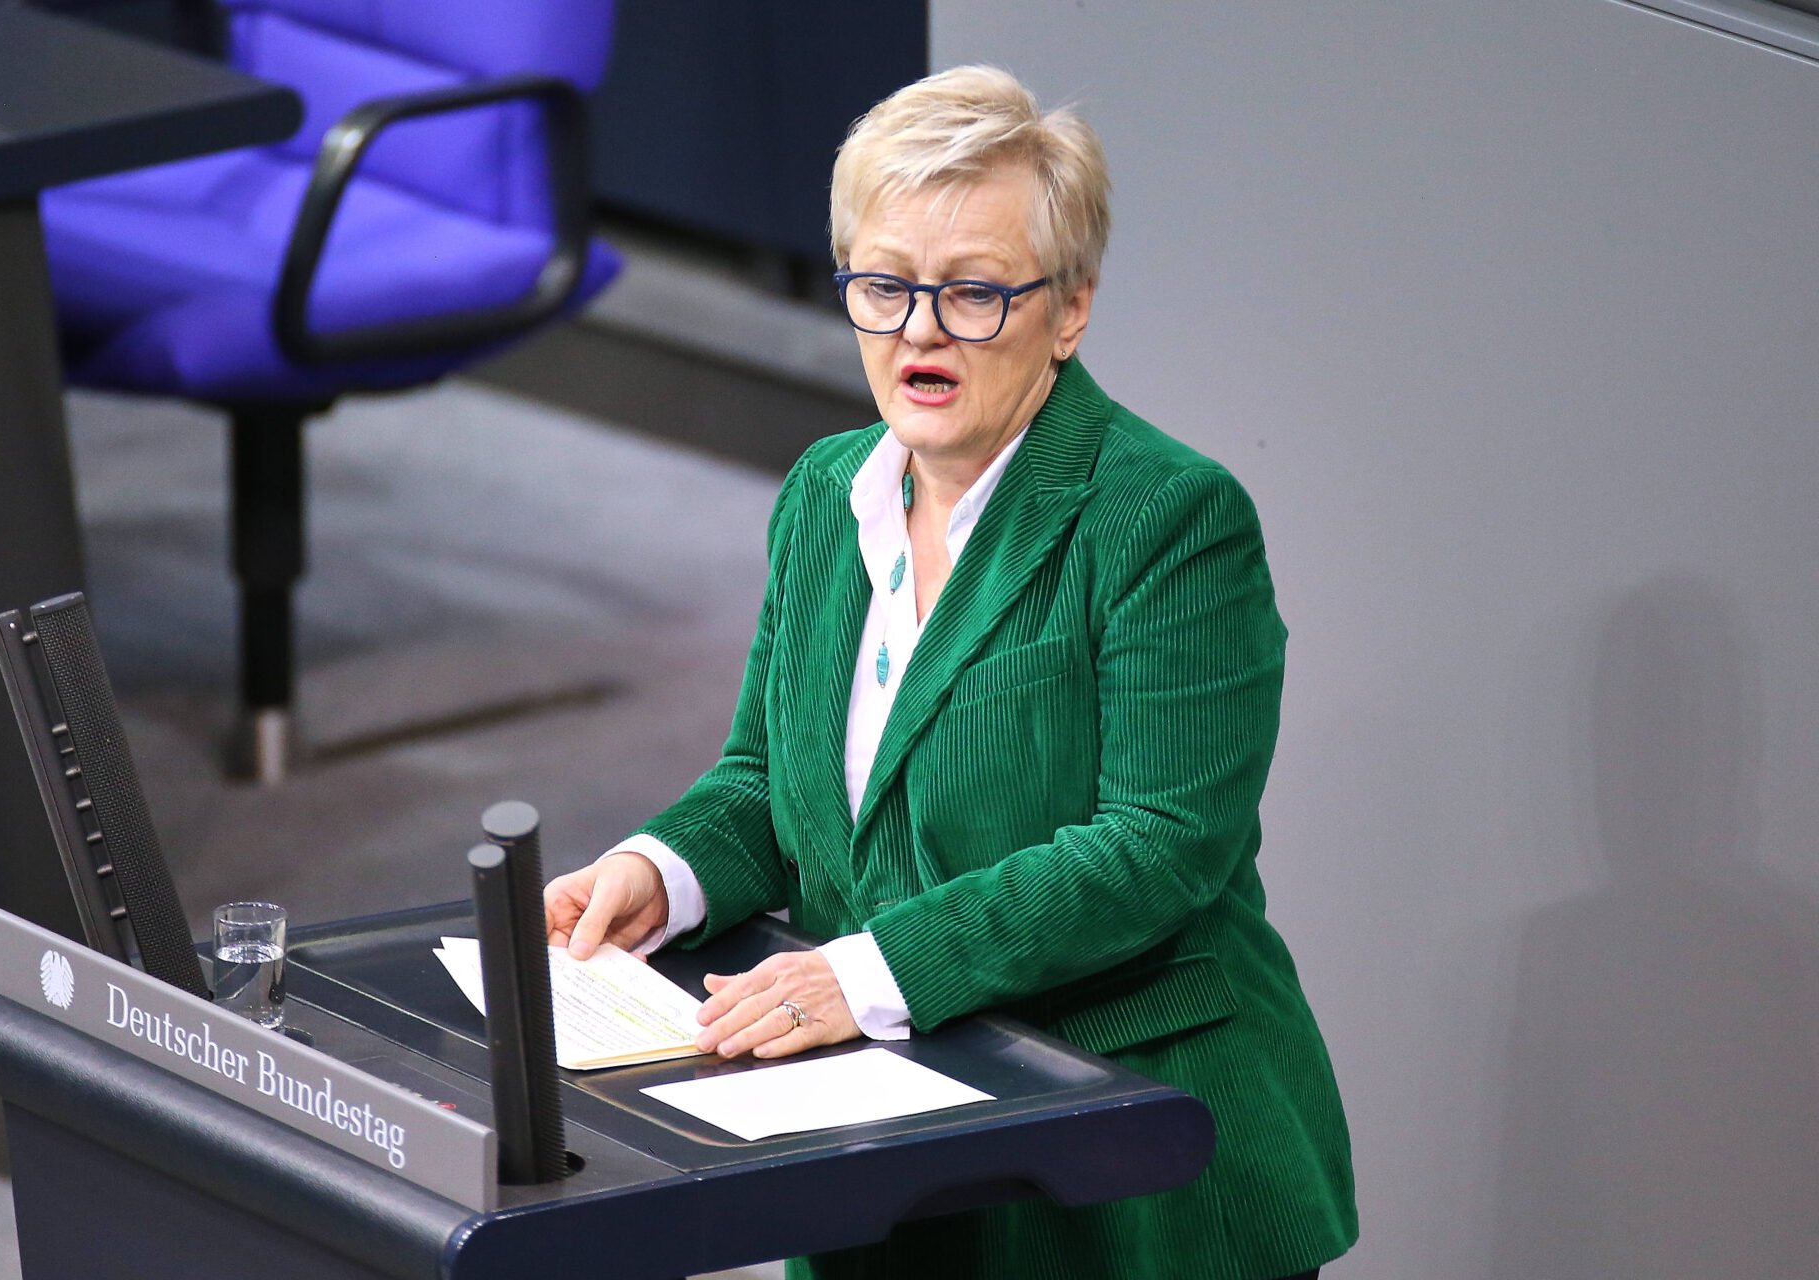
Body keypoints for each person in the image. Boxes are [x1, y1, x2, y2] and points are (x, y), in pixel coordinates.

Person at [544, 65, 1357, 1280]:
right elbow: (770, 779)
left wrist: (869, 973)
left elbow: (1157, 845)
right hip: (887, 1133)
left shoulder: (1167, 517)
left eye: (973, 291)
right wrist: (660, 870)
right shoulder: (828, 493)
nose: (919, 329)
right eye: (884, 285)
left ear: (1069, 310)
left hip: (1124, 1159)